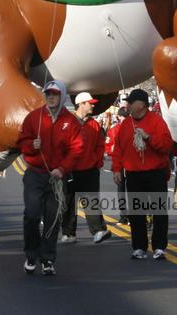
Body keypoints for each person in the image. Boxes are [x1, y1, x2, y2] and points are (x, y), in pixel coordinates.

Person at [18, 80, 83, 275]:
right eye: (48, 94)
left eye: (55, 94)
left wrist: (62, 169)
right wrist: (31, 146)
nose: (51, 97)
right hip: (35, 174)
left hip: (57, 177)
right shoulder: (33, 117)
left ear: (62, 96)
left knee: (53, 218)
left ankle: (47, 258)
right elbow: (21, 142)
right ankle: (31, 254)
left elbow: (76, 149)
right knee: (32, 214)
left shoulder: (71, 121)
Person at [112, 88, 173, 260]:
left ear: (142, 105)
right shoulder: (125, 125)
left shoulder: (157, 122)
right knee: (136, 212)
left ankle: (159, 246)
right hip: (134, 174)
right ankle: (139, 246)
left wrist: (148, 138)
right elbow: (118, 149)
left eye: (131, 102)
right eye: (128, 102)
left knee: (159, 211)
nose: (128, 105)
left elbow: (167, 145)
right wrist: (116, 168)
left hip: (155, 173)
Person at [60, 91, 111, 244]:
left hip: (90, 170)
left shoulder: (94, 124)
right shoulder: (67, 122)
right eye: (90, 103)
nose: (93, 106)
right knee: (68, 203)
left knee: (92, 202)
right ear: (81, 104)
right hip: (70, 170)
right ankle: (69, 233)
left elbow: (100, 146)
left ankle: (98, 231)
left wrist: (97, 163)